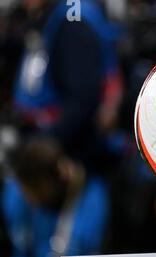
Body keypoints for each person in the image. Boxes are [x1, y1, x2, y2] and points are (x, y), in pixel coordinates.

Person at [12, 0, 123, 171]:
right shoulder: (59, 14)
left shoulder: (72, 20)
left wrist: (45, 146)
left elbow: (82, 98)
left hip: (67, 157)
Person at [1, 136, 109, 257]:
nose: (31, 198)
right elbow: (18, 248)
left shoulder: (93, 201)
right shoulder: (15, 195)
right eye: (26, 191)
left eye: (37, 190)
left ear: (60, 177)